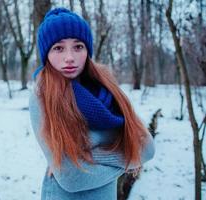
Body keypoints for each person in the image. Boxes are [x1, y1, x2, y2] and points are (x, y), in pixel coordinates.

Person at [29, 7, 155, 200]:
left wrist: (86, 158)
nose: (69, 57)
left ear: (87, 50)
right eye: (58, 48)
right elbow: (72, 179)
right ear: (46, 54)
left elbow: (146, 148)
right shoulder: (43, 96)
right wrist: (125, 155)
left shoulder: (107, 87)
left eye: (78, 46)